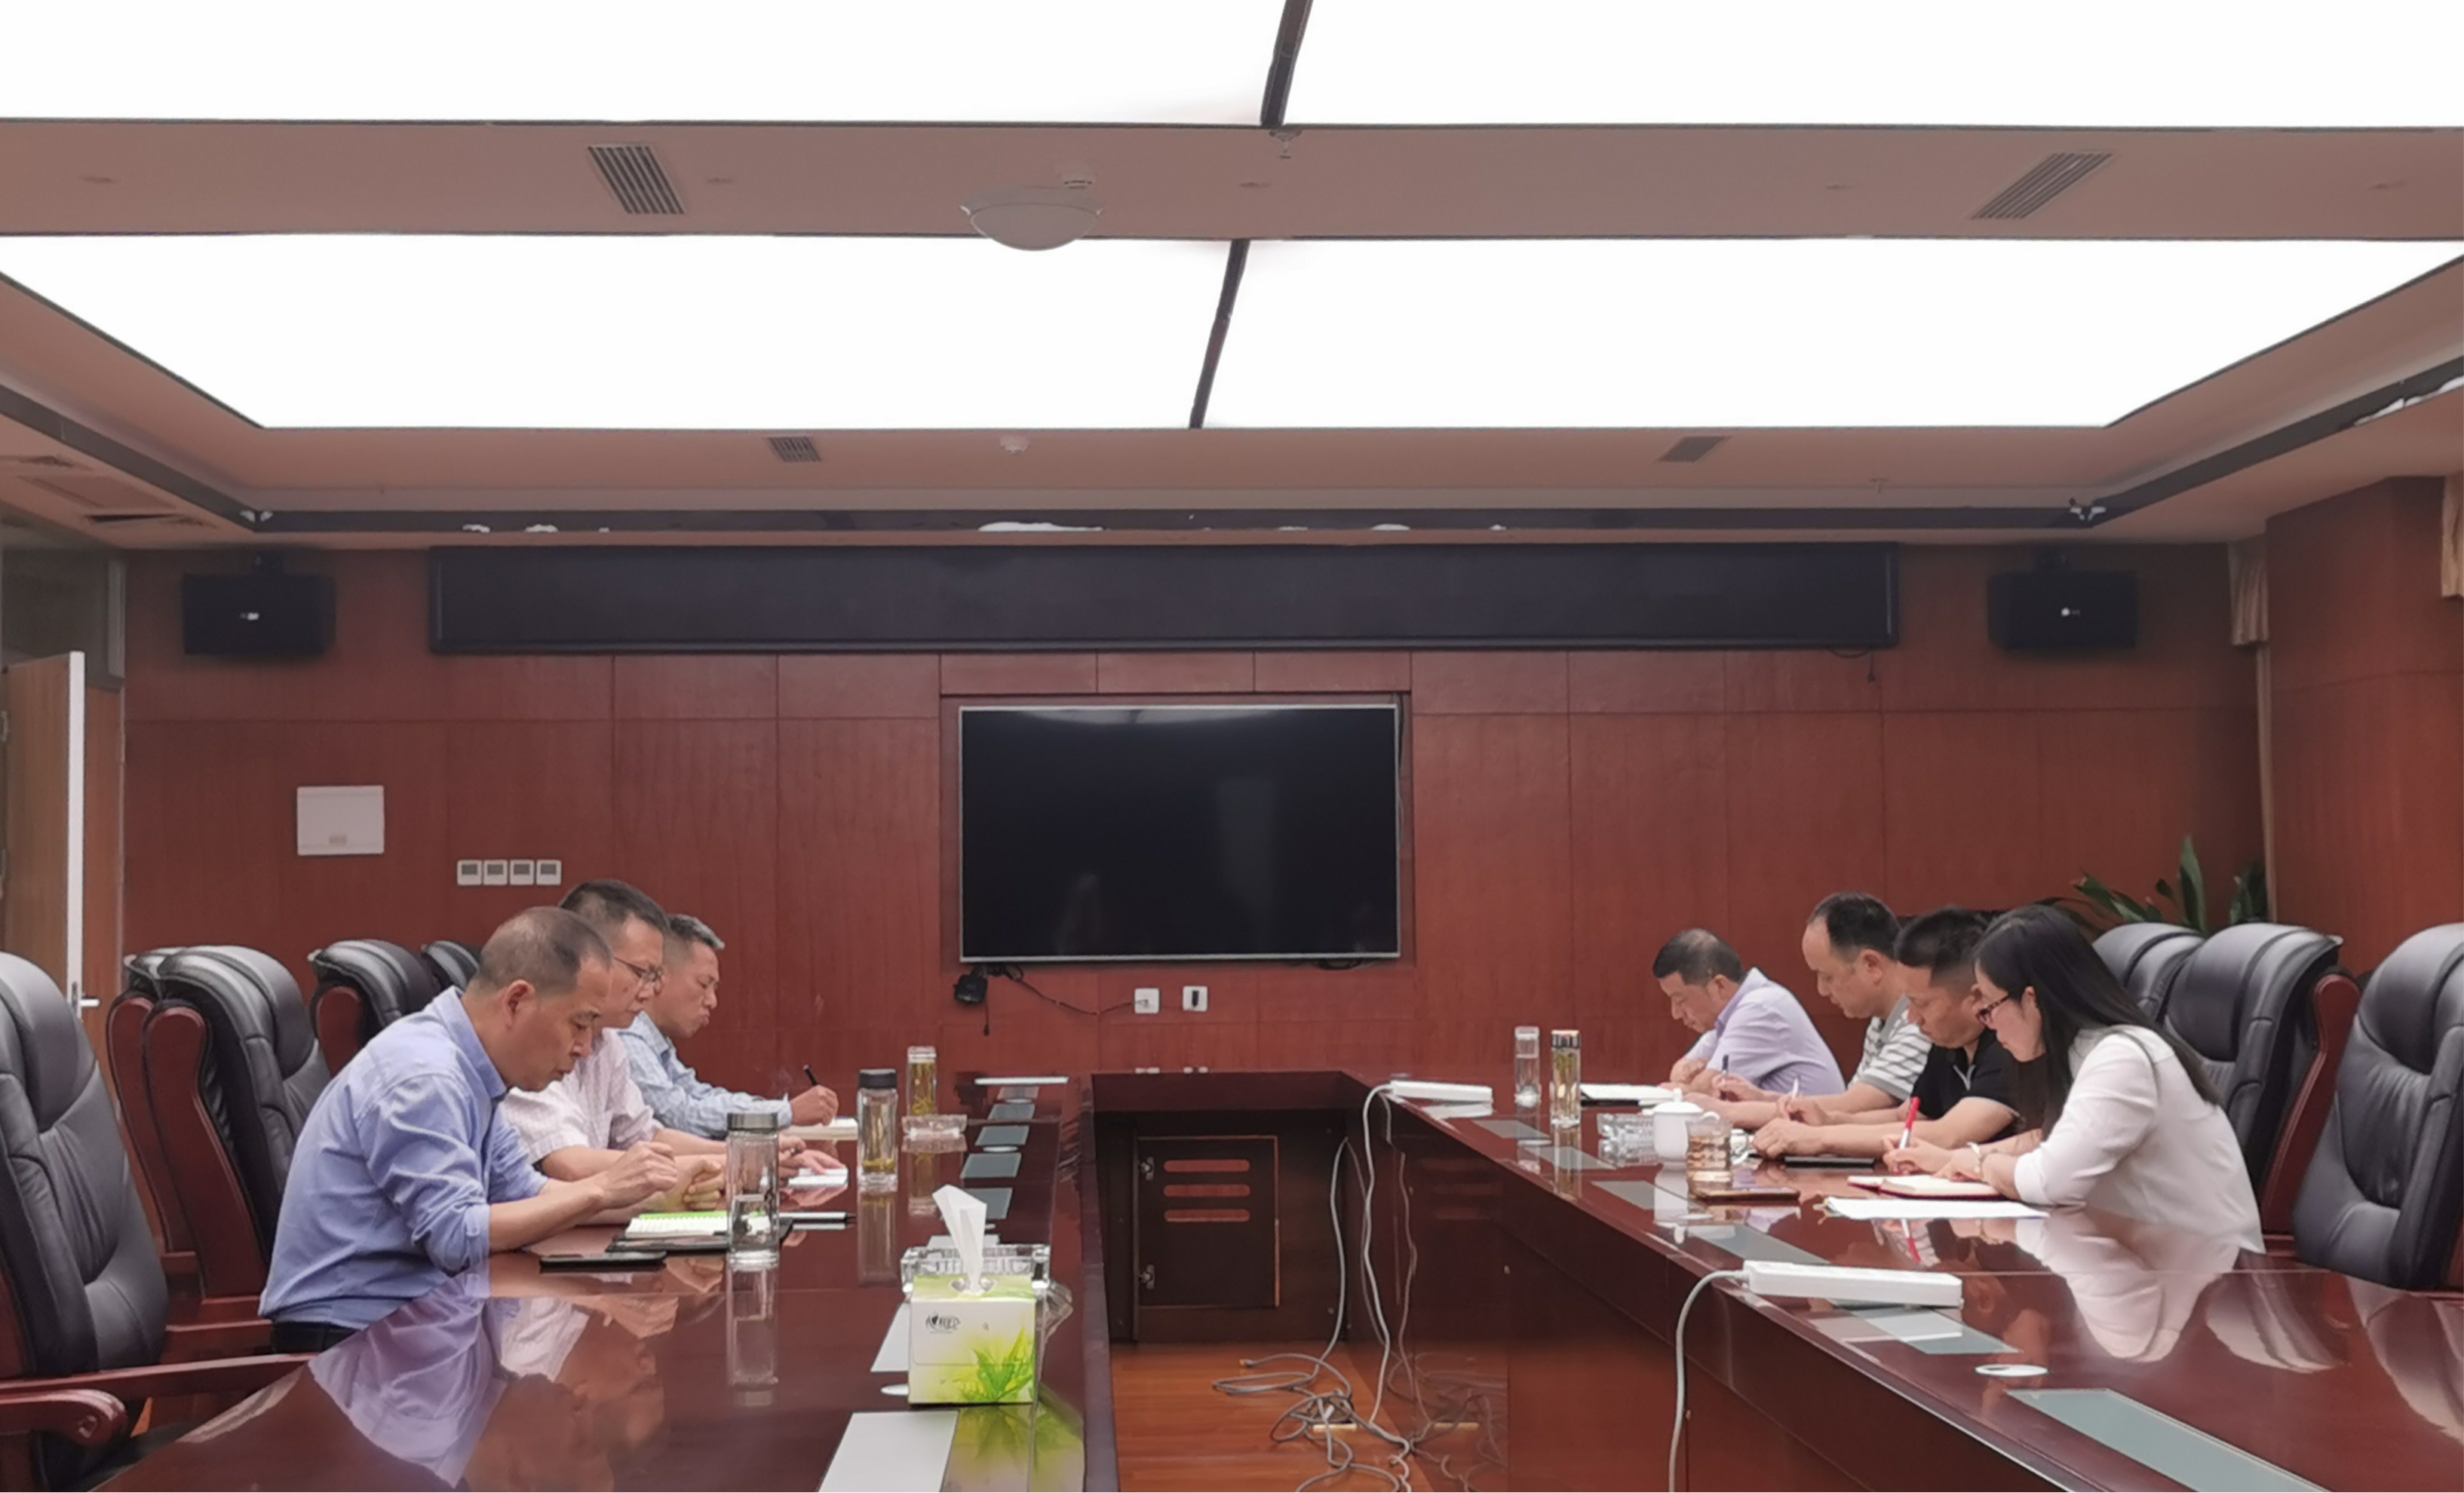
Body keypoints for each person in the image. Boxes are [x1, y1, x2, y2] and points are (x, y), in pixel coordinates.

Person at [260, 908, 680, 1349]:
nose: (585, 1047)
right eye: (579, 1023)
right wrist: (602, 1190)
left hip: (420, 1322)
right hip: (351, 1340)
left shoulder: (472, 1072)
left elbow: (524, 1193)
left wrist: (662, 1199)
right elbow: (456, 1237)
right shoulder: (426, 1075)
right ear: (516, 1001)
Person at [1886, 905, 2262, 1250]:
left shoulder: (2122, 1059)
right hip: (2144, 1257)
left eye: (1989, 1006)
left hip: (2217, 1274)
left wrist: (1982, 1166)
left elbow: (2048, 1181)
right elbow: (2051, 1140)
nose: (1988, 1022)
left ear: (2032, 1000)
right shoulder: (2082, 1053)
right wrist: (1957, 1158)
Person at [1751, 907, 2018, 1160]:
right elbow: (1909, 1117)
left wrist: (1821, 1138)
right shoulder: (1949, 1043)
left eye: (1922, 1004)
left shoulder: (2008, 1043)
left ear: (1977, 998)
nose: (1912, 1018)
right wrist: (1829, 1120)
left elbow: (1949, 1135)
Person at [1710, 893, 1926, 1129]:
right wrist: (1763, 1098)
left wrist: (1726, 1112)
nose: (1822, 990)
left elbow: (1851, 1107)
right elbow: (1844, 1109)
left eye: (1827, 976)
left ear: (1871, 965)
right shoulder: (1881, 1021)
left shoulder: (1919, 1022)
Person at [619, 912, 838, 1138]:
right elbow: (680, 1117)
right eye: (704, 984)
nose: (712, 1001)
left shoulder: (655, 1040)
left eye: (714, 988)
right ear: (659, 977)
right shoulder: (628, 1036)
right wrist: (785, 1113)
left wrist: (777, 1112)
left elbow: (702, 1096)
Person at [1659, 928, 1843, 1098]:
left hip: (1813, 1122)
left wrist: (1689, 1085)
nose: (1676, 1014)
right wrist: (1689, 1076)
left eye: (1680, 1000)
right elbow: (1678, 1071)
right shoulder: (1729, 1015)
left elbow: (1708, 1089)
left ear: (1719, 986)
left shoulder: (1760, 1008)